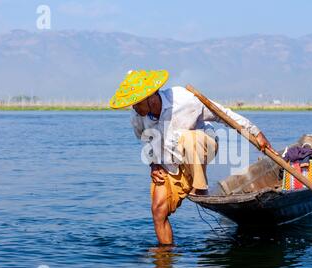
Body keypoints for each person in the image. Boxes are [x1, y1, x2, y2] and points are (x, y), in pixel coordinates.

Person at [110, 70, 271, 245]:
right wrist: (153, 165)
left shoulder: (183, 100)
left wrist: (256, 132)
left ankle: (200, 186)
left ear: (151, 97)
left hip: (202, 147)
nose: (134, 107)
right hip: (171, 160)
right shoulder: (137, 116)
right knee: (158, 210)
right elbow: (147, 140)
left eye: (137, 103)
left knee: (187, 138)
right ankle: (166, 256)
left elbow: (223, 114)